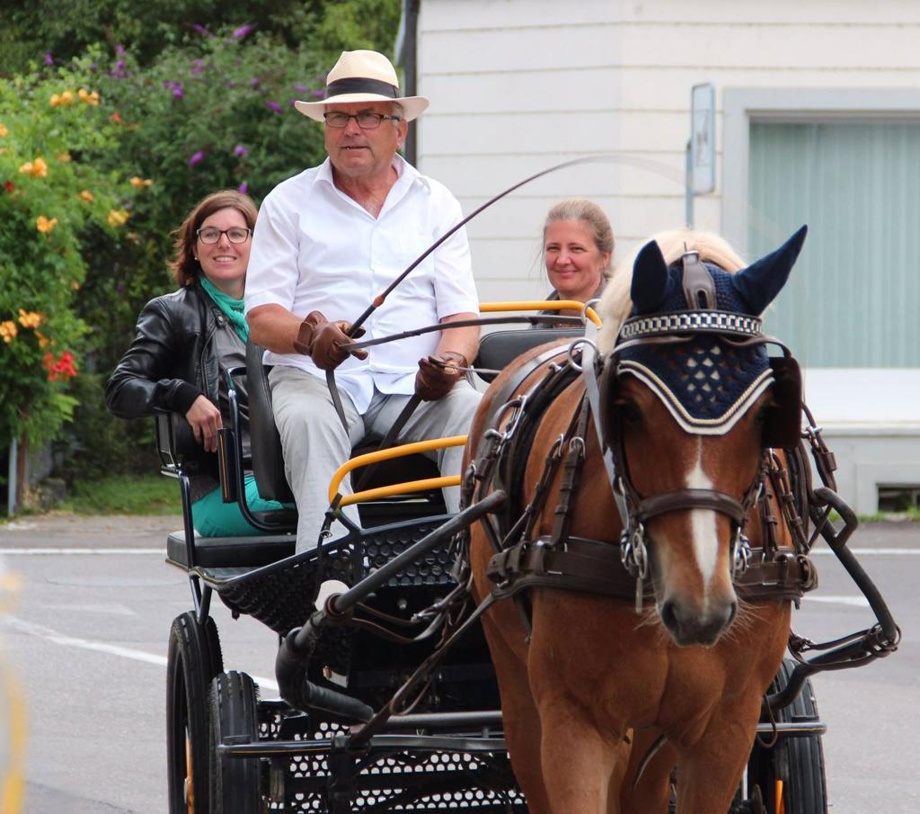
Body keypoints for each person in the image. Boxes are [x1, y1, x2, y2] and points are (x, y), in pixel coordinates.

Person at [244, 50, 481, 552]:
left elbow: (461, 317)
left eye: (368, 115)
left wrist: (450, 365)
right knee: (309, 422)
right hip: (314, 379)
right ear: (326, 129)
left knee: (474, 412)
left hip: (416, 386)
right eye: (338, 117)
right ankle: (332, 571)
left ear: (399, 130)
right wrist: (311, 336)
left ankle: (478, 567)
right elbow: (262, 318)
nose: (352, 129)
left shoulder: (437, 203)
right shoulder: (287, 202)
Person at [105, 190, 287, 536]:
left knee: (357, 499)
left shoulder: (283, 314)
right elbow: (120, 389)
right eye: (210, 233)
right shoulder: (173, 313)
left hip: (288, 471)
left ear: (257, 244)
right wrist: (182, 395)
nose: (224, 243)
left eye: (237, 233)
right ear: (193, 247)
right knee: (322, 506)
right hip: (224, 488)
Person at [537, 198, 614, 327]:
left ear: (604, 258)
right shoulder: (537, 325)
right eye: (553, 248)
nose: (562, 260)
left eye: (576, 249)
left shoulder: (625, 322)